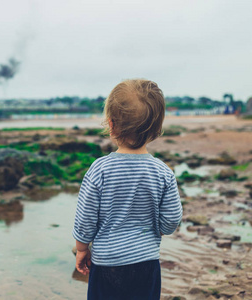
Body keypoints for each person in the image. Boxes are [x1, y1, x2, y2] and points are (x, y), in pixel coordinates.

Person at [73, 79, 183, 300]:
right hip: (146, 263)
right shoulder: (163, 172)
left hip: (107, 264)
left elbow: (85, 218)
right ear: (157, 129)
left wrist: (82, 249)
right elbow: (172, 219)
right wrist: (157, 230)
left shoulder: (100, 170)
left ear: (111, 125)